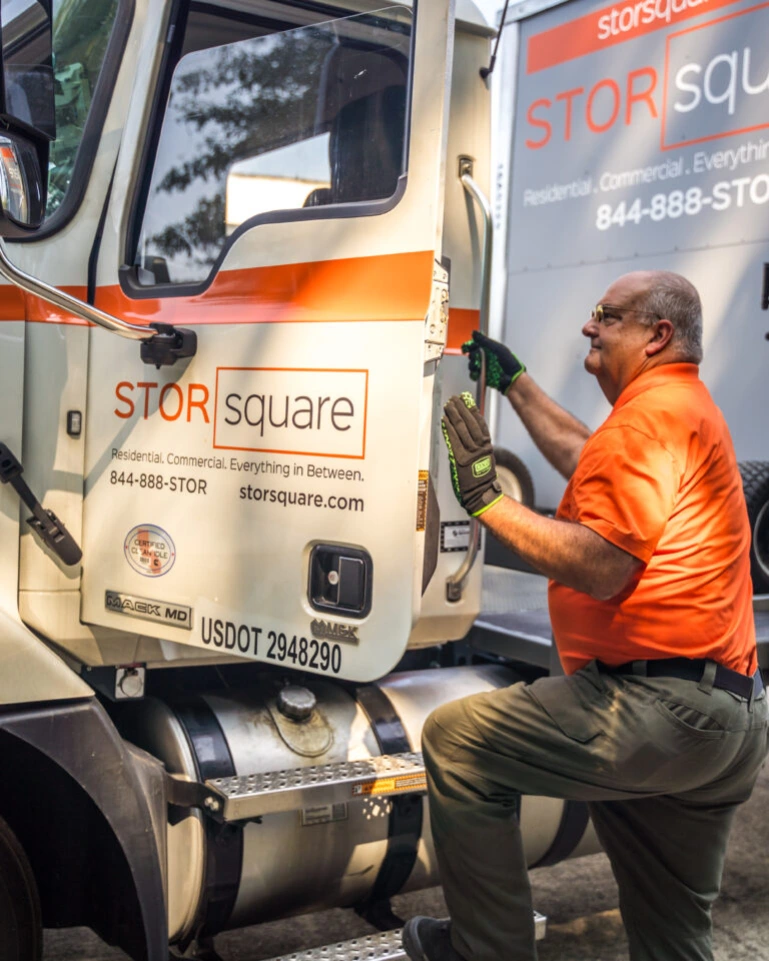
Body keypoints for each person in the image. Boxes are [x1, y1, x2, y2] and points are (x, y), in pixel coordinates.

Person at [402, 271, 768, 961]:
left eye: (607, 315)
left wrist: (485, 499)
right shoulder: (675, 406)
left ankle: (488, 950)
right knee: (672, 940)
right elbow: (582, 456)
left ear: (657, 334)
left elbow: (603, 565)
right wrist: (516, 384)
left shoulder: (651, 415)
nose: (587, 326)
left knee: (457, 741)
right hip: (724, 719)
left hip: (656, 707)